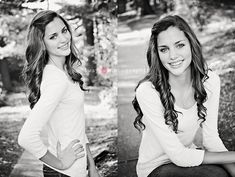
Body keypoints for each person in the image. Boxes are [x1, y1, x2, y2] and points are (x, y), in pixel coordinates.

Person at [132, 15, 235, 177]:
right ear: (157, 53)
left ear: (191, 45)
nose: (172, 56)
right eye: (164, 49)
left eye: (179, 45)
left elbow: (211, 140)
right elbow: (179, 157)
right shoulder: (148, 91)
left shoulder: (210, 81)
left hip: (188, 156)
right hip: (156, 167)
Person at [18, 10, 100, 177]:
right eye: (53, 36)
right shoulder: (57, 80)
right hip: (64, 173)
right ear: (42, 44)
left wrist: (91, 165)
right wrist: (60, 164)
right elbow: (26, 136)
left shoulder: (63, 73)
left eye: (64, 31)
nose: (63, 39)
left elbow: (76, 125)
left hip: (77, 169)